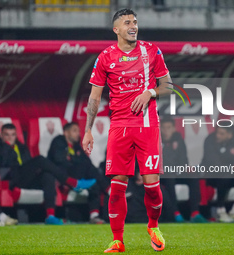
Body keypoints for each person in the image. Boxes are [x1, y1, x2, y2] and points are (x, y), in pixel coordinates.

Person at [82, 8, 172, 252]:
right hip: (120, 127)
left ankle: (153, 225)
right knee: (117, 185)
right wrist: (88, 130)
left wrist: (150, 91)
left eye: (135, 21)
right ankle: (118, 240)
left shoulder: (151, 50)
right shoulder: (105, 57)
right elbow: (94, 97)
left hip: (147, 126)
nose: (133, 26)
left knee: (152, 186)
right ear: (116, 30)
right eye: (127, 23)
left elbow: (168, 85)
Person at [0, 123, 96, 225]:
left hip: (23, 178)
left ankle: (50, 216)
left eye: (13, 135)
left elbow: (27, 164)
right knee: (40, 159)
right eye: (7, 135)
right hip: (9, 177)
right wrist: (7, 146)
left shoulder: (22, 147)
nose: (10, 138)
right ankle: (73, 182)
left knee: (47, 175)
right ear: (1, 135)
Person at [48, 122, 109, 224]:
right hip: (62, 177)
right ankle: (109, 189)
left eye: (78, 131)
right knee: (87, 166)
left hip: (76, 175)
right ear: (66, 133)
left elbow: (86, 162)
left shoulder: (76, 147)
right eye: (74, 131)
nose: (78, 134)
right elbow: (60, 160)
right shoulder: (58, 141)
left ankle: (94, 216)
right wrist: (75, 160)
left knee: (93, 179)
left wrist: (73, 160)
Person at [202, 123, 234, 223]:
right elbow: (214, 164)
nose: (218, 135)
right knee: (224, 176)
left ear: (230, 135)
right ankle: (220, 211)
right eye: (217, 132)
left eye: (222, 134)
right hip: (212, 174)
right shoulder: (210, 140)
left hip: (231, 173)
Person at [160, 117, 208, 223]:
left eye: (168, 128)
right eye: (163, 128)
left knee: (193, 175)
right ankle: (175, 212)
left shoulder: (179, 140)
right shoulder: (156, 141)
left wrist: (185, 168)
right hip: (163, 174)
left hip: (176, 171)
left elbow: (183, 160)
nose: (166, 131)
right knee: (169, 176)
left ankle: (195, 212)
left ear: (173, 129)